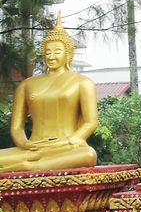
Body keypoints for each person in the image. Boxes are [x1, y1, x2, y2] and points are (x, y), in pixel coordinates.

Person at [1, 14, 98, 171]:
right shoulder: (27, 85)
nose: (51, 56)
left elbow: (90, 122)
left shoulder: (82, 82)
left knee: (88, 155)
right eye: (47, 52)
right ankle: (30, 163)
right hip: (33, 148)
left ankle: (28, 167)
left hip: (65, 147)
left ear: (68, 53)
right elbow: (16, 128)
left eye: (57, 51)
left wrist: (71, 141)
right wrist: (25, 144)